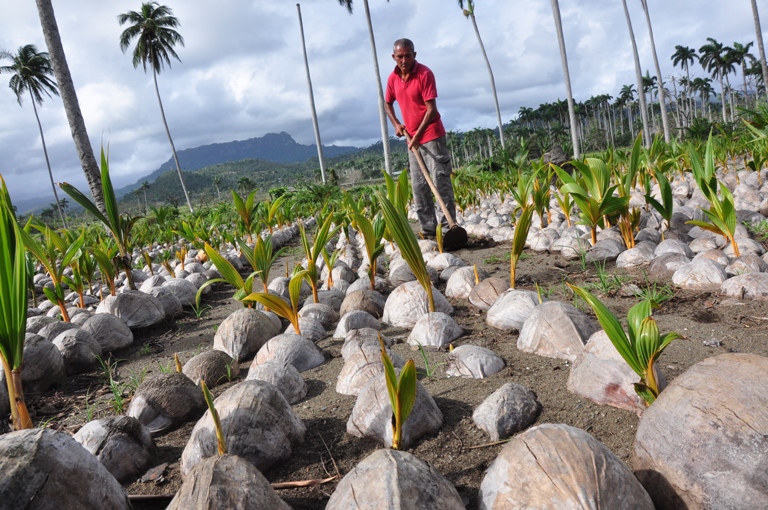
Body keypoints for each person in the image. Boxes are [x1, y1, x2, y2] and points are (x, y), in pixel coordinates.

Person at [384, 38, 456, 238]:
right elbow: (387, 104)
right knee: (419, 186)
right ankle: (429, 230)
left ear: (414, 55)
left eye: (408, 55)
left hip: (432, 135)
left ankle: (450, 228)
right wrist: (396, 124)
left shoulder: (425, 74)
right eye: (400, 56)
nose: (404, 60)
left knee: (440, 182)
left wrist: (417, 136)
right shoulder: (392, 79)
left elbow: (431, 109)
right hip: (412, 139)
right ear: (394, 57)